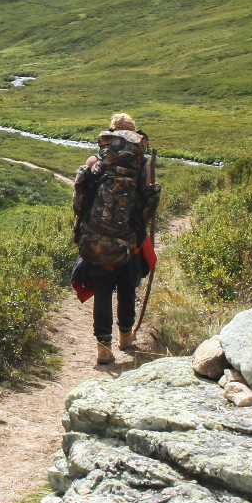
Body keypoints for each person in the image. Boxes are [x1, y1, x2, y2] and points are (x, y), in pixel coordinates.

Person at [70, 112, 160, 364]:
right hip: (129, 238)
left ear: (111, 134)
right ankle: (125, 338)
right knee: (126, 286)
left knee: (102, 289)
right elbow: (148, 208)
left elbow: (79, 204)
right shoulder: (143, 166)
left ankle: (103, 347)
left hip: (97, 236)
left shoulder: (95, 162)